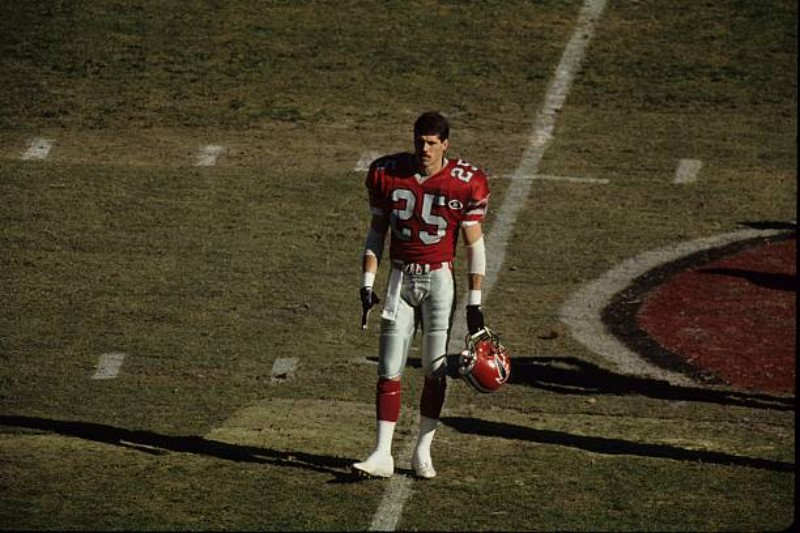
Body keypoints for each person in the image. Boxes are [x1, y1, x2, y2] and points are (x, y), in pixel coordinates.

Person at [353, 111, 490, 479]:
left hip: (439, 280)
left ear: (445, 144)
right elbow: (376, 232)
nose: (424, 149)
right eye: (420, 141)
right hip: (400, 278)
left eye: (431, 143)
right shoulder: (387, 172)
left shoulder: (465, 182)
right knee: (388, 368)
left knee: (434, 369)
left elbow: (474, 245)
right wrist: (367, 282)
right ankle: (382, 453)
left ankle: (422, 451)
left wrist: (475, 303)